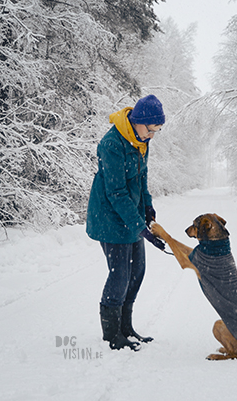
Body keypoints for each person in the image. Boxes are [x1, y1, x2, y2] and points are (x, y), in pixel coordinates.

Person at [86, 95, 167, 351]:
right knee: (120, 275)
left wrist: (148, 208)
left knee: (137, 272)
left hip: (130, 215)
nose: (152, 135)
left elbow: (141, 180)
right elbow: (116, 192)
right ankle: (112, 334)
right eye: (151, 129)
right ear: (138, 122)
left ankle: (126, 327)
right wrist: (139, 226)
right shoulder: (112, 144)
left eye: (157, 131)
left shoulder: (142, 141)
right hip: (109, 217)